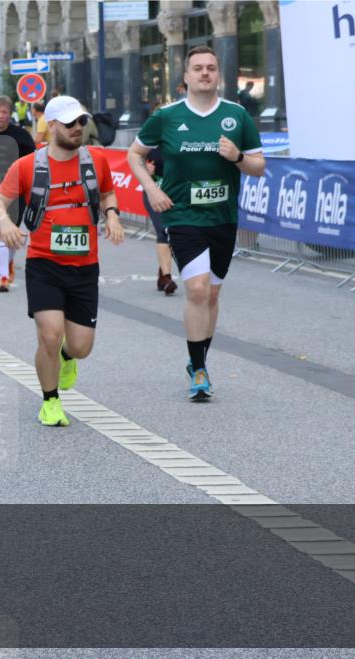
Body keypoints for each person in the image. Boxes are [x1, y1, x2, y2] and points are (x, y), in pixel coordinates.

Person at [127, 45, 264, 401]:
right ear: (185, 77)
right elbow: (135, 154)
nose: (205, 73)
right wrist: (151, 189)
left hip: (223, 216)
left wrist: (237, 158)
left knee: (213, 293)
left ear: (218, 75)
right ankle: (199, 368)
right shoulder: (167, 116)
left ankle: (198, 359)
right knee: (198, 289)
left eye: (211, 68)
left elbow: (259, 166)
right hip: (181, 214)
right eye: (198, 68)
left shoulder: (237, 116)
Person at [0, 96, 124, 427]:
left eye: (81, 122)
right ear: (51, 127)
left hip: (85, 266)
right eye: (70, 123)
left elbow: (107, 192)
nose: (78, 128)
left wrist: (112, 215)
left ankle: (67, 358)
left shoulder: (96, 161)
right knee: (49, 334)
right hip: (44, 264)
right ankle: (50, 402)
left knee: (80, 347)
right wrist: (6, 223)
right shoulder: (28, 167)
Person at [0, 95, 36, 291]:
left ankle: (8, 263)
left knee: (12, 231)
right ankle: (2, 276)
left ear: (9, 114)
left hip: (16, 190)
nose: (0, 116)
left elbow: (34, 161)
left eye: (4, 112)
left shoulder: (21, 136)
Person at [143, 148, 177, 295]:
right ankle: (166, 279)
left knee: (174, 233)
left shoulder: (181, 137)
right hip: (154, 193)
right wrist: (145, 170)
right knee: (163, 231)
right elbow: (134, 159)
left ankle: (162, 275)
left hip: (176, 193)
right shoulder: (149, 140)